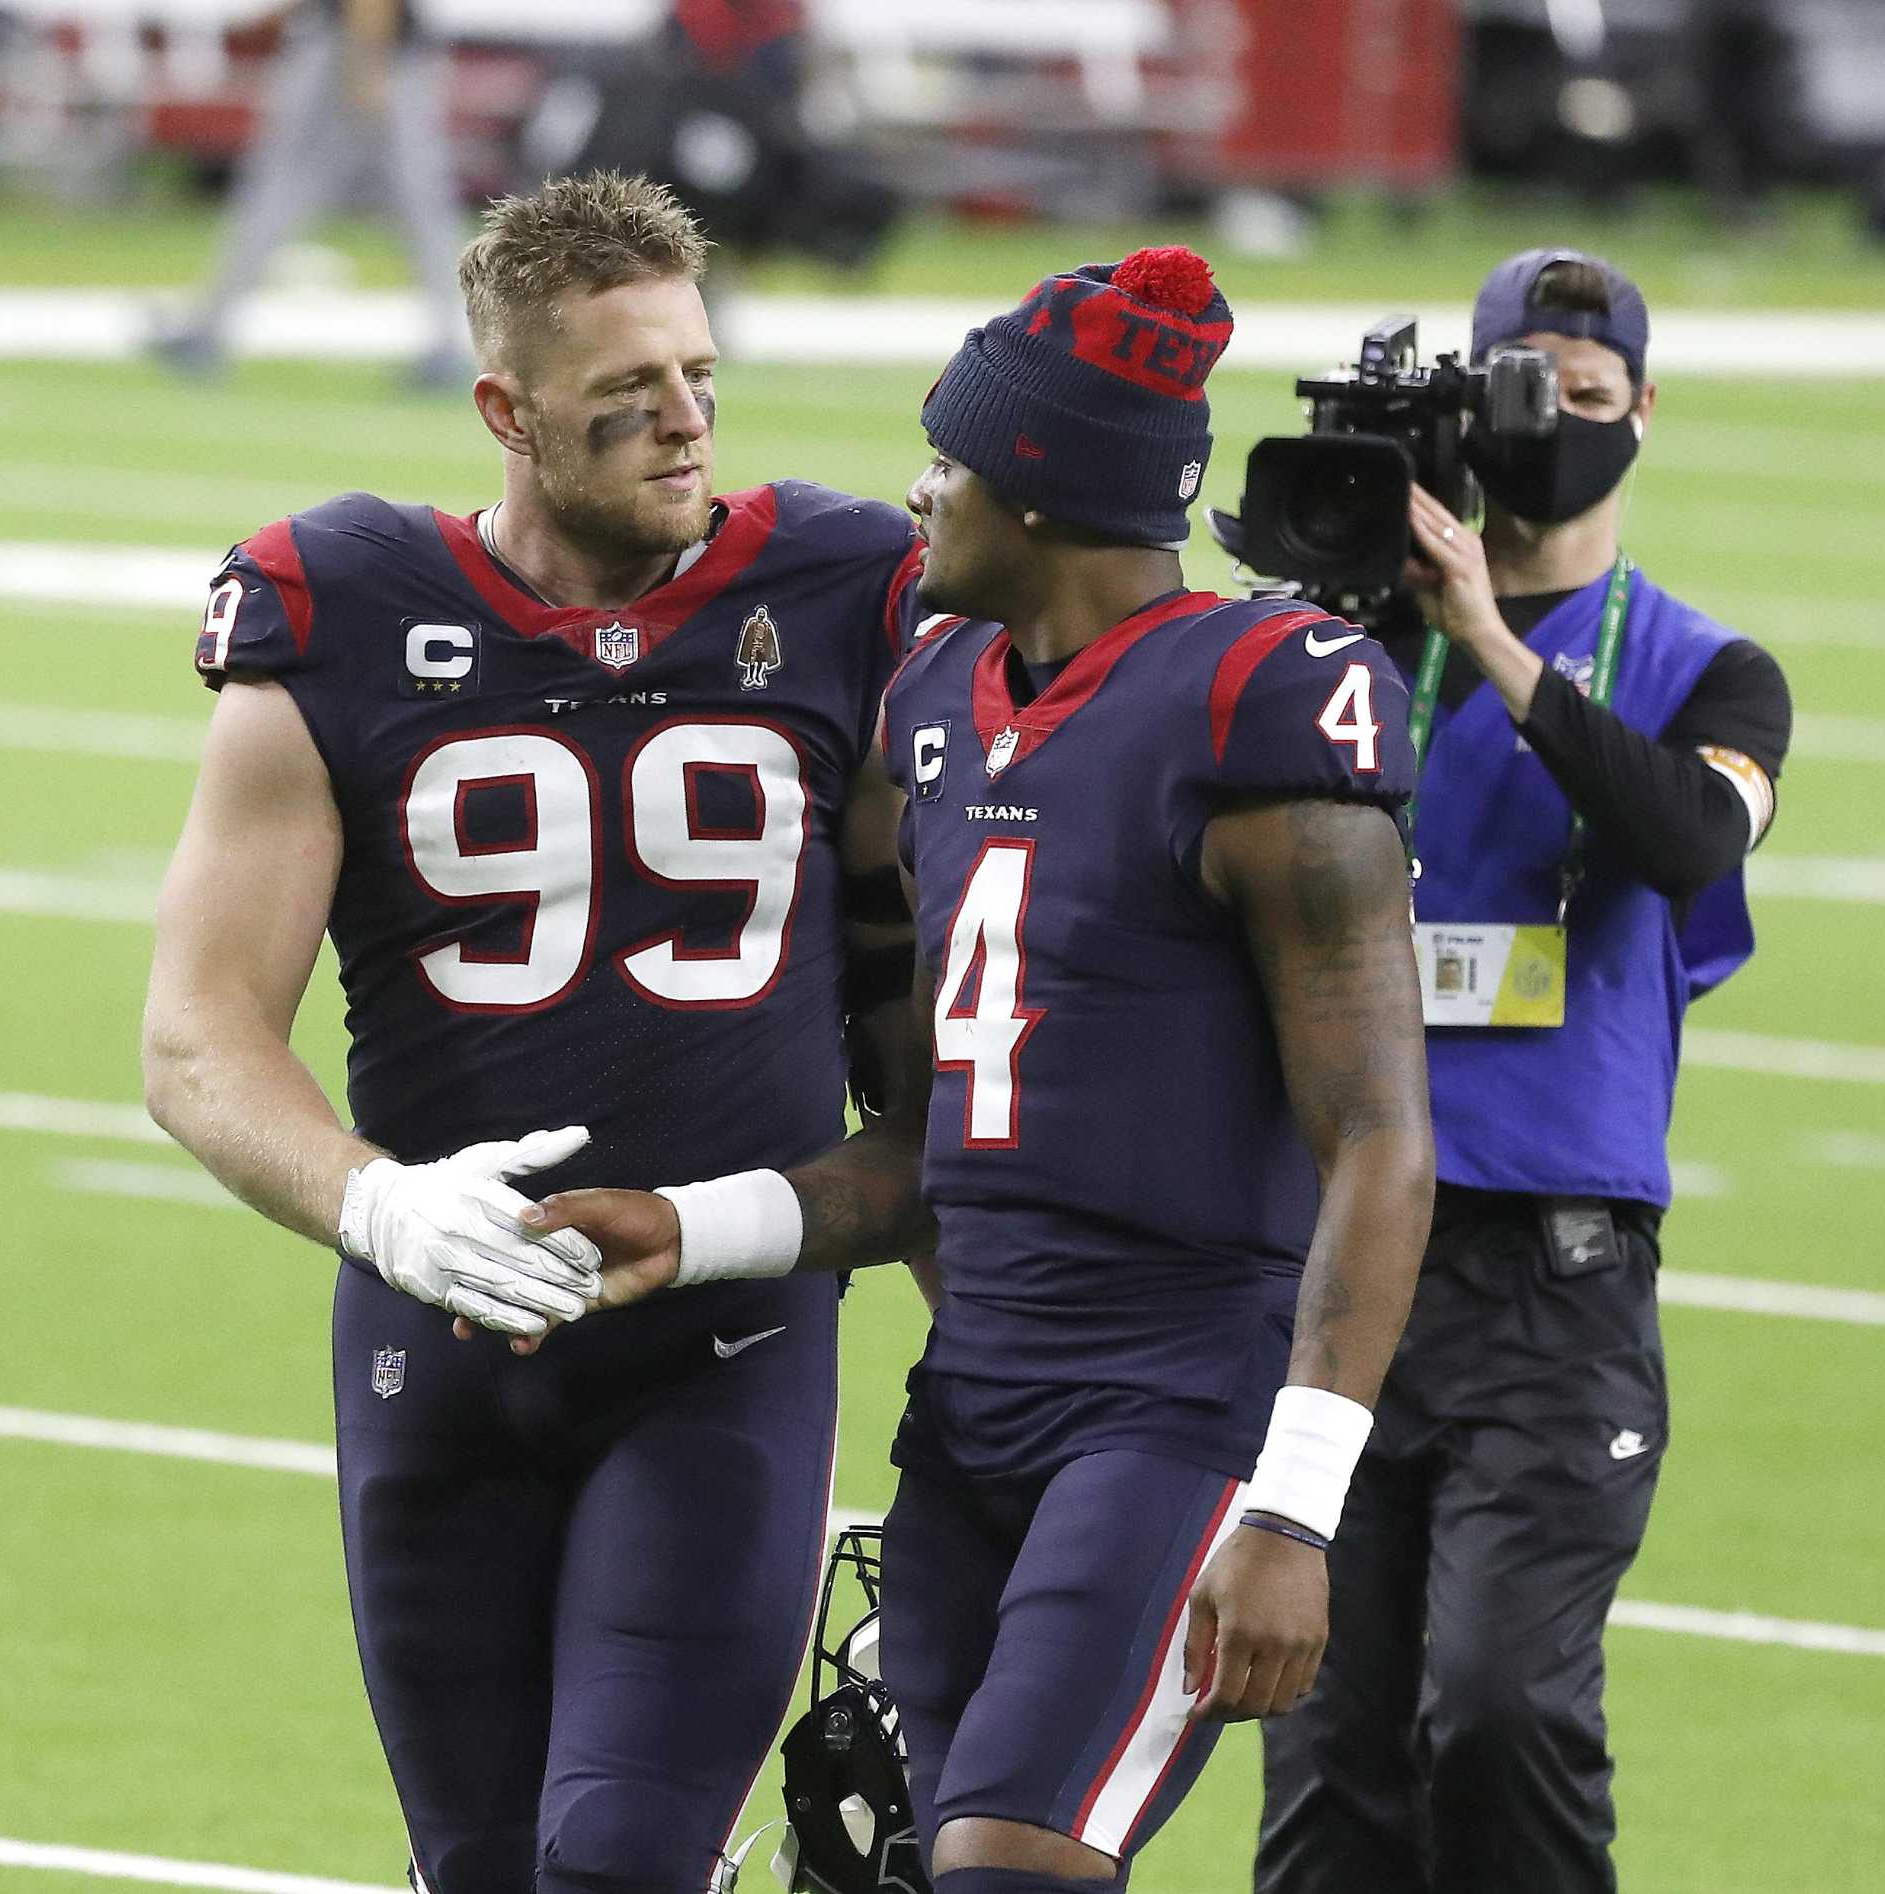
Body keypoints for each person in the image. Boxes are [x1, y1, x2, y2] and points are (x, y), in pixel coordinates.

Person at [515, 246, 1438, 1889]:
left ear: (1035, 486)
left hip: (1170, 1401)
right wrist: (691, 1223)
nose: (919, 490)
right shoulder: (942, 698)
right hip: (973, 1408)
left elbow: (1378, 1137)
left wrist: (1291, 1505)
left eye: (946, 456)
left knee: (1012, 1862)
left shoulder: (1252, 708)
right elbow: (937, 1146)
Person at [142, 171, 928, 1894]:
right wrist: (377, 1203)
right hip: (441, 1337)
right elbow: (197, 1035)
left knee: (625, 1863)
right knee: (484, 1868)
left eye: (700, 376)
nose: (683, 422)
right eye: (625, 392)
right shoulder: (334, 607)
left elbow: (917, 1009)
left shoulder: (844, 583)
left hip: (724, 1334)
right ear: (502, 408)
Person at [1254, 249, 1794, 1893]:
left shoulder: (1708, 671)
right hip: (1345, 1262)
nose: (1552, 412)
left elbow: (1683, 834)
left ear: (1643, 406)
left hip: (1547, 1287)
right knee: (1324, 1752)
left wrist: (1487, 638)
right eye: (1517, 381)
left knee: (1496, 1708)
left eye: (1584, 384)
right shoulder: (1344, 655)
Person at [153, 0, 472, 386]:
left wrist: (366, 66)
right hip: (365, 50)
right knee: (416, 207)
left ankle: (454, 344)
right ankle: (455, 343)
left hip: (364, 53)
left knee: (290, 195)